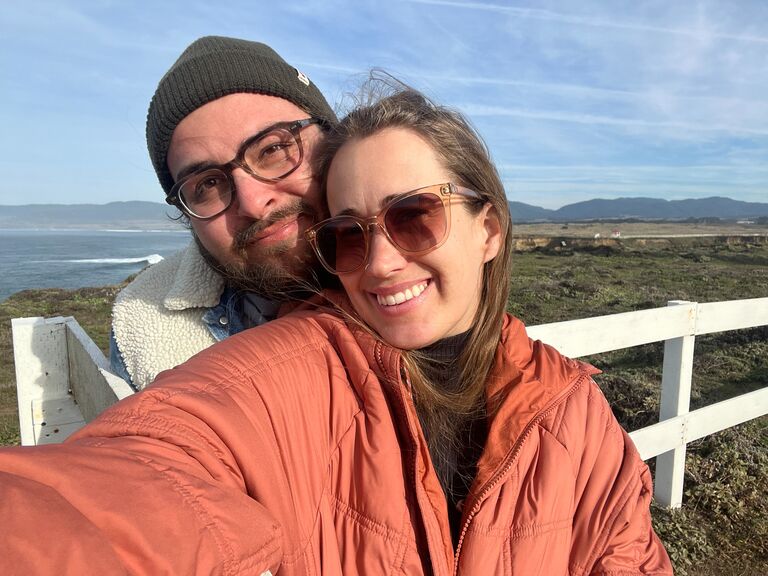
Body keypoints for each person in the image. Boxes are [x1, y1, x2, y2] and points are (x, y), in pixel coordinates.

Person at [0, 85, 673, 574]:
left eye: (414, 217)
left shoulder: (573, 410)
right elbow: (130, 481)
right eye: (346, 237)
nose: (379, 262)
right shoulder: (295, 365)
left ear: (489, 228)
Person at [109, 35, 337, 389]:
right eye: (207, 185)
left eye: (274, 148)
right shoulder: (139, 321)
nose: (252, 202)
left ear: (333, 139)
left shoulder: (434, 265)